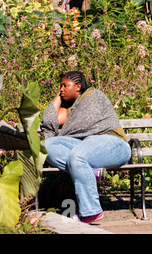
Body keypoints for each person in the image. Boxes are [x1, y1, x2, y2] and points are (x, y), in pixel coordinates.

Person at [41, 71, 131, 223]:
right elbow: (50, 122)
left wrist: (65, 128)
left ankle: (91, 211)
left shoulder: (93, 95)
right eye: (60, 86)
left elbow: (83, 123)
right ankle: (89, 171)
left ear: (78, 87)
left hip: (113, 143)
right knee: (47, 145)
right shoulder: (71, 108)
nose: (61, 89)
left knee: (77, 155)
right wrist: (58, 96)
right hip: (84, 145)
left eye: (65, 85)